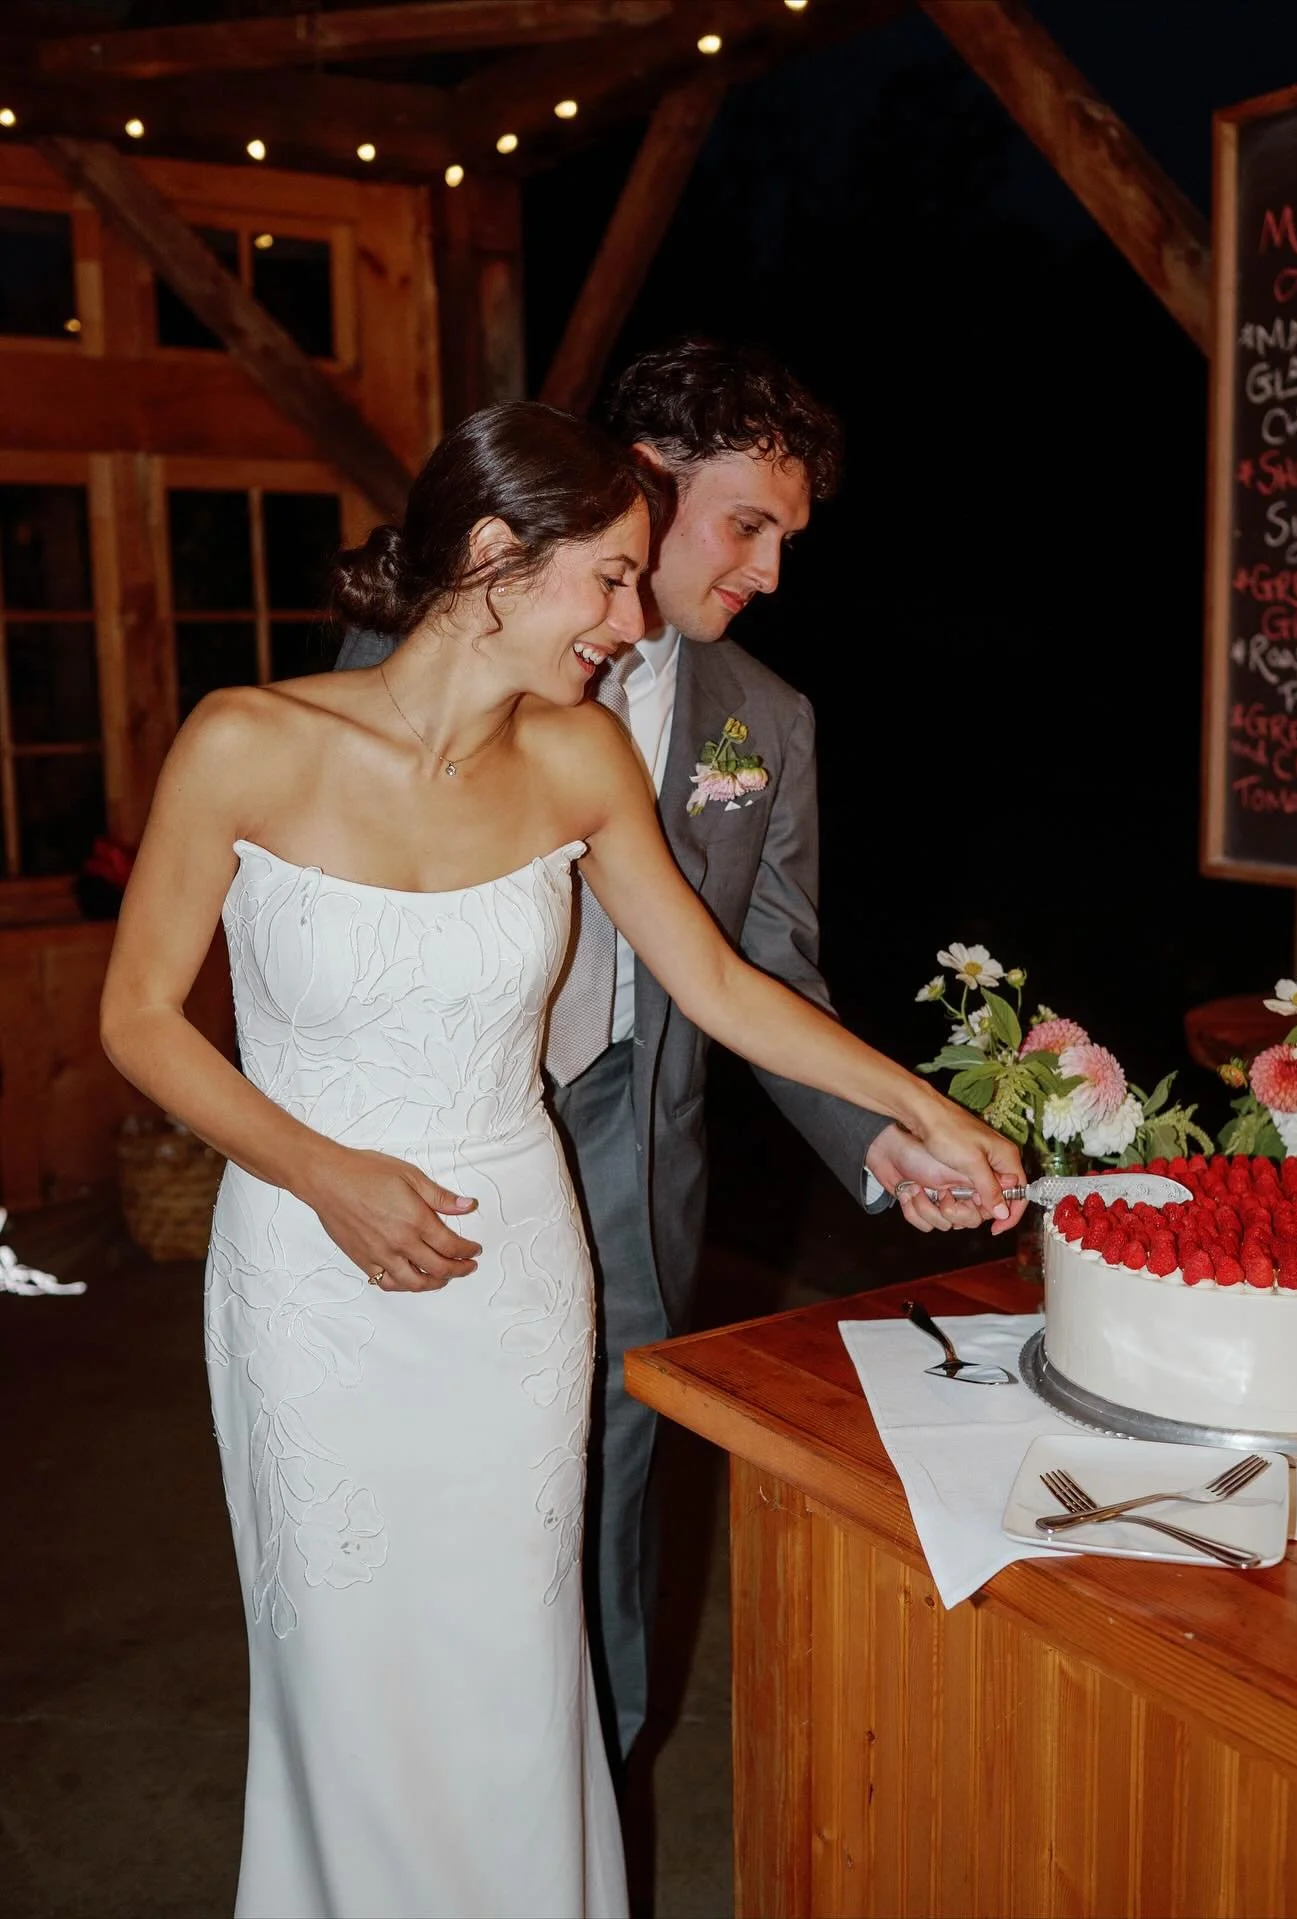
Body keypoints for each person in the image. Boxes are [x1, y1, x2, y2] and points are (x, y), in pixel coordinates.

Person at [99, 401, 1022, 1919]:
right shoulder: (247, 739)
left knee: (514, 1652)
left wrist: (921, 1108)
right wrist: (324, 1170)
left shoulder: (583, 758)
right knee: (342, 1651)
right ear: (487, 557)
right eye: (604, 577)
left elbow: (724, 985)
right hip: (308, 1281)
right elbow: (138, 1018)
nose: (626, 615)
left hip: (517, 1279)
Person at [336, 340, 999, 1772]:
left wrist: (883, 1134)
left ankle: (598, 1775)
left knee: (612, 1480)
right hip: (426, 1141)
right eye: (746, 524)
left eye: (786, 538)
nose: (766, 571)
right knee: (425, 1470)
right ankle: (425, 1761)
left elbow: (760, 968)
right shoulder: (414, 663)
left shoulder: (767, 717)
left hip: (633, 1141)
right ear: (639, 484)